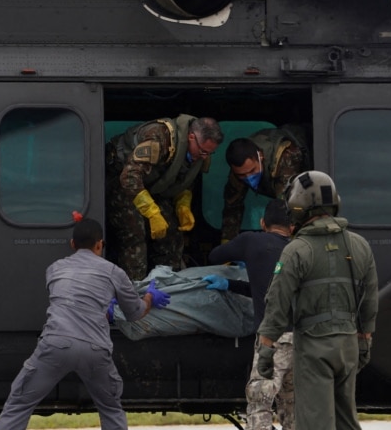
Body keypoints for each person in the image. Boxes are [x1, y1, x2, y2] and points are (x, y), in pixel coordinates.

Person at [0, 218, 171, 430]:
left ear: (72, 244)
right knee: (111, 409)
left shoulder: (54, 269)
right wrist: (150, 297)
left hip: (56, 345)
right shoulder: (114, 272)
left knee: (19, 404)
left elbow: (71, 302)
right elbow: (136, 313)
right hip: (95, 349)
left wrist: (104, 307)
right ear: (100, 244)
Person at [256, 171, 378, 430]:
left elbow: (277, 302)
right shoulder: (360, 246)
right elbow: (369, 301)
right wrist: (365, 340)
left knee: (315, 422)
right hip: (347, 346)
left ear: (298, 207)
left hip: (314, 348)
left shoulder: (296, 250)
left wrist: (266, 347)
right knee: (346, 420)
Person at [206, 199, 296, 430]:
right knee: (294, 407)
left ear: (262, 222)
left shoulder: (252, 241)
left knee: (259, 404)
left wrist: (246, 255)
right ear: (293, 227)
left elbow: (215, 255)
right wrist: (231, 284)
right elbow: (266, 289)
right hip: (305, 341)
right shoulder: (301, 248)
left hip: (272, 341)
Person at [105, 115, 224, 280]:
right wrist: (151, 212)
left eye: (209, 153)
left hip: (153, 187)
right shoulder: (159, 137)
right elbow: (130, 177)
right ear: (191, 137)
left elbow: (186, 179)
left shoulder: (197, 153)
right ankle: (134, 292)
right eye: (203, 151)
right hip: (122, 182)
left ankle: (168, 286)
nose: (204, 156)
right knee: (134, 234)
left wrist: (183, 205)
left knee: (171, 235)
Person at [221, 127, 309, 244]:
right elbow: (232, 207)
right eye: (243, 175)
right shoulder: (238, 171)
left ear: (260, 156)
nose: (248, 177)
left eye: (252, 171)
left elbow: (286, 205)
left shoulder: (286, 156)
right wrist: (228, 244)